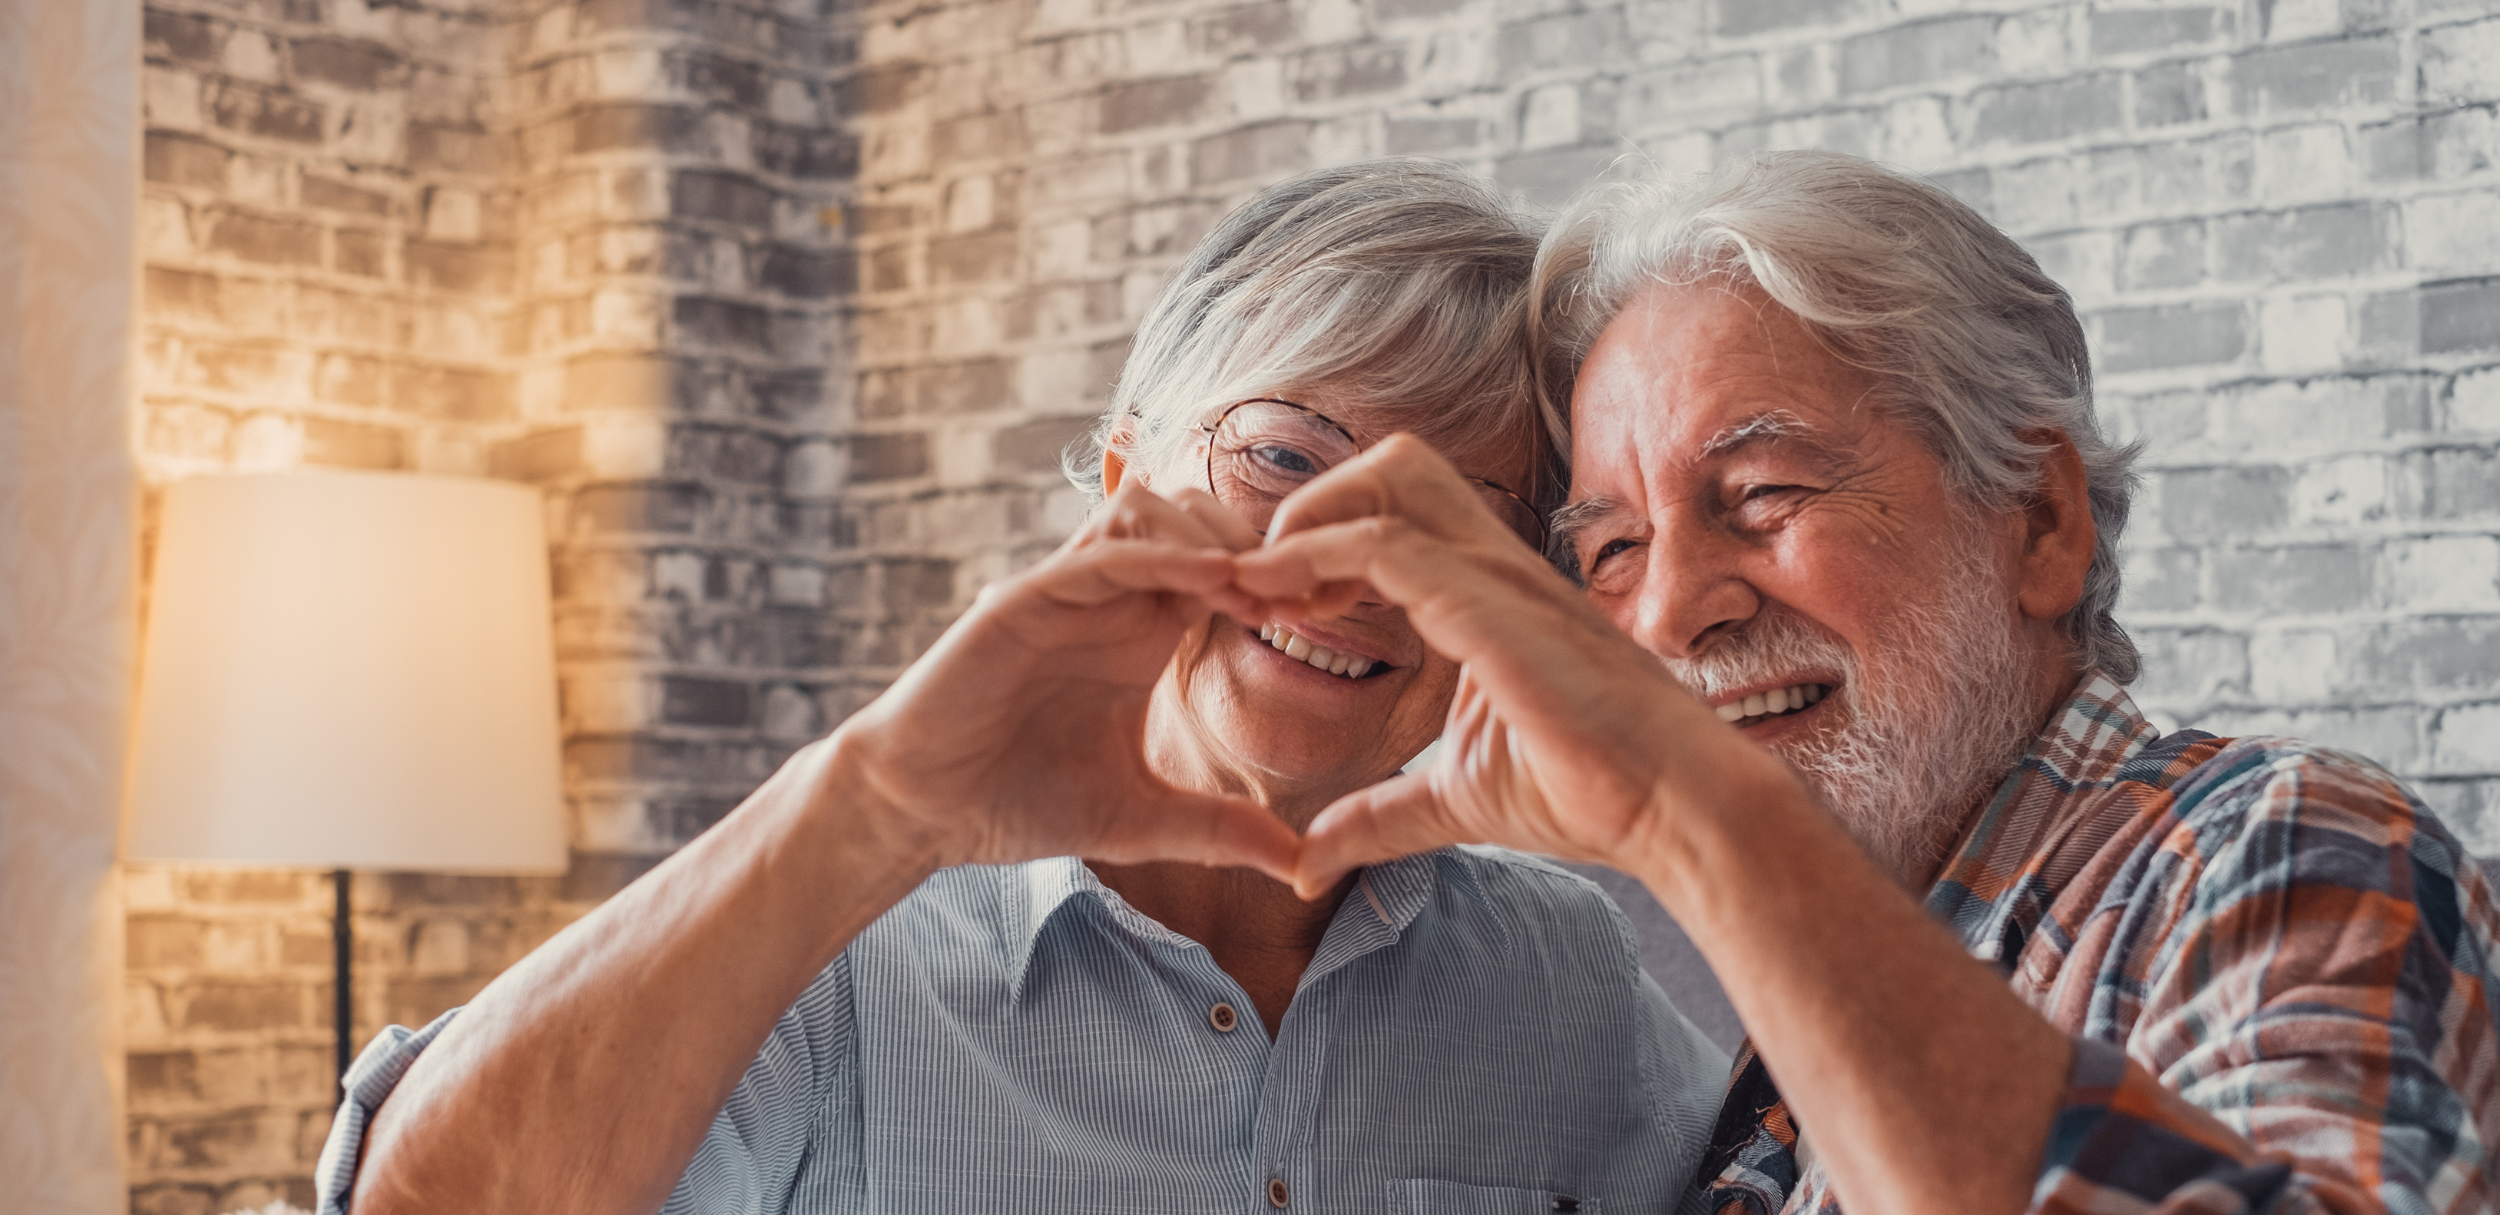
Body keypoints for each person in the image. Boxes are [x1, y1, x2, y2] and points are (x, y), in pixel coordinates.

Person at [315, 160, 1726, 1215]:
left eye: (1458, 521)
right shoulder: (836, 949)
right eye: (1286, 457)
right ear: (1122, 484)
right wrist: (873, 802)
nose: (1347, 567)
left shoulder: (1567, 977)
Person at [1229, 150, 2500, 1214]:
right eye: (1613, 548)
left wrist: (1724, 841)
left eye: (1763, 494)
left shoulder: (2282, 851)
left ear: (2040, 520)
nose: (1670, 610)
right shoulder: (1760, 1039)